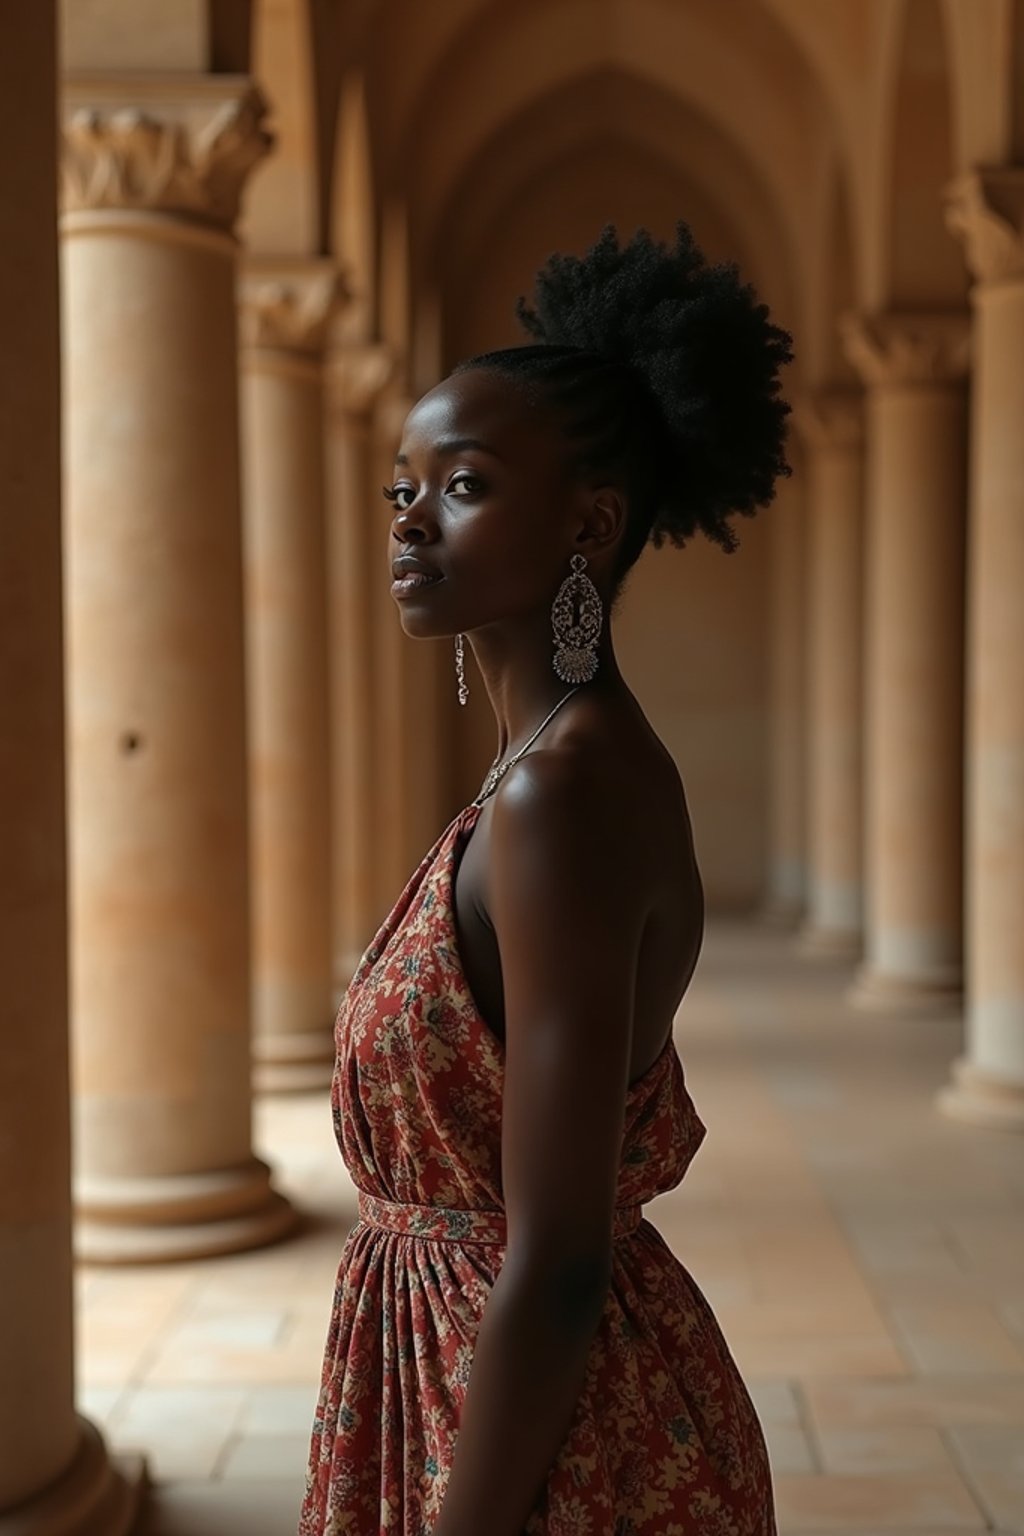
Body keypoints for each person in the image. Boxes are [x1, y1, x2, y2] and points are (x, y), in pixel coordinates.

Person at [299, 222, 793, 1536]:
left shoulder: (560, 798)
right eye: (401, 486)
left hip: (550, 1446)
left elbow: (561, 1255)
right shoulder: (551, 770)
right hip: (480, 1388)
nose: (410, 519)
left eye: (461, 485)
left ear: (589, 522)